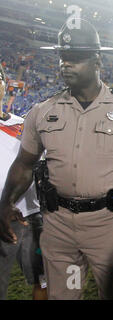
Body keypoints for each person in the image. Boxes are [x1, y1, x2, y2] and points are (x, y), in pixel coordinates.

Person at [0, 19, 113, 300]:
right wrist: (5, 202)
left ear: (97, 61)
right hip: (57, 224)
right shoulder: (42, 111)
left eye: (75, 58)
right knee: (64, 296)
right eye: (62, 57)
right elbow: (24, 163)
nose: (65, 64)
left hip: (106, 225)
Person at [0, 64, 47, 300]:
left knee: (44, 279)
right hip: (1, 220)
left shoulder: (24, 124)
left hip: (32, 215)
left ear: (4, 85)